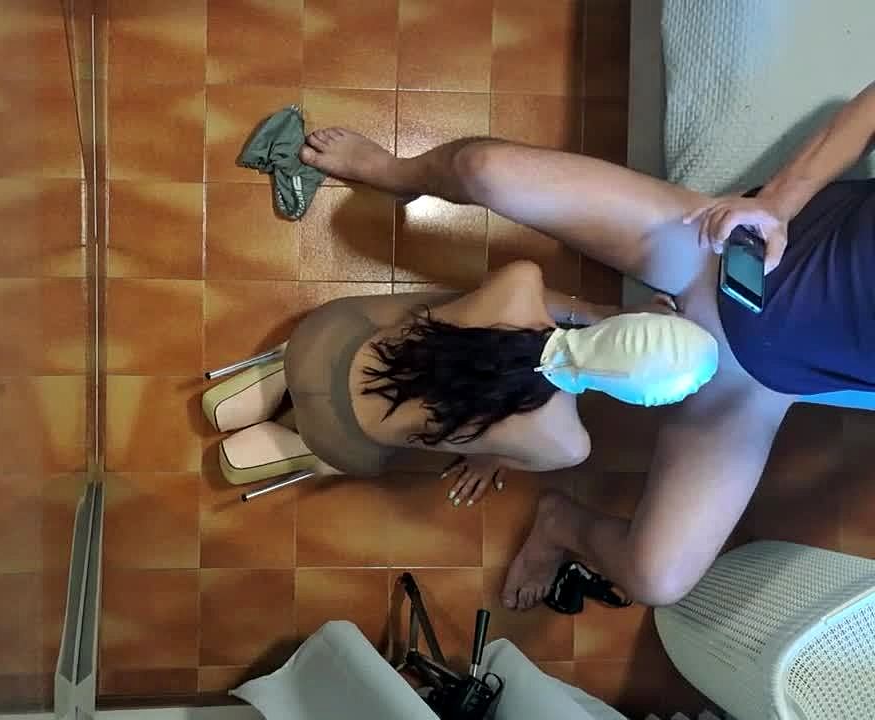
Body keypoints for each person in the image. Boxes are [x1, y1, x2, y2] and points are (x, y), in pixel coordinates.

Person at [298, 82, 873, 610]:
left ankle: (560, 525)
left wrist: (497, 438)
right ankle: (400, 173)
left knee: (657, 580)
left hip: (755, 384)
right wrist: (779, 201)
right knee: (484, 169)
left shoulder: (561, 437)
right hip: (725, 249)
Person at [205, 263, 714, 497]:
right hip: (341, 442)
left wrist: (611, 313)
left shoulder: (521, 282)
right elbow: (487, 448)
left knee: (448, 316)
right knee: (465, 419)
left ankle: (277, 373)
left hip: (318, 344)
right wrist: (488, 452)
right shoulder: (566, 444)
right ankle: (297, 449)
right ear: (635, 400)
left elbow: (549, 325)